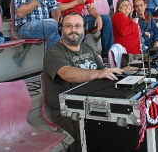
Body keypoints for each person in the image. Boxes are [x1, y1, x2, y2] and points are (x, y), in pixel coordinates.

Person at [43, 11, 123, 152]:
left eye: (78, 26)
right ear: (61, 29)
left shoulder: (86, 47)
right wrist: (97, 73)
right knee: (94, 133)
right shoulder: (53, 53)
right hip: (67, 109)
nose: (73, 30)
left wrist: (123, 71)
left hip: (92, 101)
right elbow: (66, 73)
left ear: (84, 29)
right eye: (68, 26)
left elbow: (103, 70)